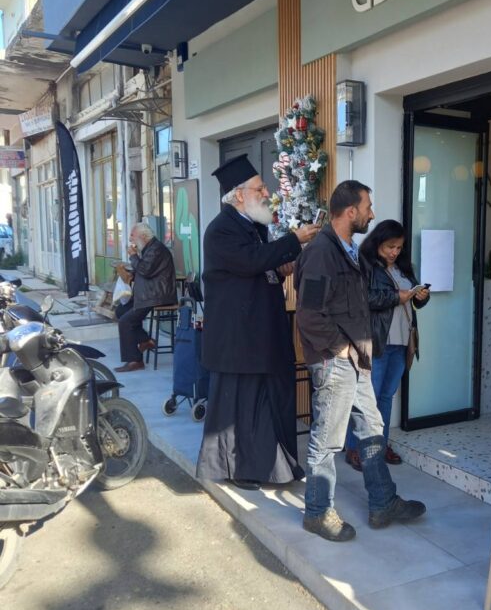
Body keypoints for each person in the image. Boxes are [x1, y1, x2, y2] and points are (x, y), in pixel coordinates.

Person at [294, 181, 426, 542]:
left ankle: (382, 502)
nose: (372, 213)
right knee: (327, 439)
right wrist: (341, 350)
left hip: (356, 357)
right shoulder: (322, 252)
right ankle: (317, 512)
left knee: (371, 428)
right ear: (351, 211)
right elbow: (309, 315)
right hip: (337, 359)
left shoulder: (348, 250)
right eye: (368, 206)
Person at [196, 155, 319, 488]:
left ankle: (274, 468)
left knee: (265, 406)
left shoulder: (253, 226)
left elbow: (256, 269)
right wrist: (294, 240)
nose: (267, 193)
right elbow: (249, 261)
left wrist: (278, 270)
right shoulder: (221, 229)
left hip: (260, 335)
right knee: (241, 412)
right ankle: (241, 470)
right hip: (238, 339)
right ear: (239, 195)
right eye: (260, 188)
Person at [344, 219, 430, 471]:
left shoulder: (403, 268)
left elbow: (412, 301)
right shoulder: (365, 265)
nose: (394, 252)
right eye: (390, 246)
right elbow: (363, 299)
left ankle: (379, 445)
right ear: (378, 243)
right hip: (377, 341)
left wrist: (421, 297)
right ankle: (354, 447)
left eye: (399, 247)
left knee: (386, 396)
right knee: (367, 398)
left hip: (402, 341)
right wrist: (396, 297)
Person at [114, 222, 176, 373]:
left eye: (132, 236)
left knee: (126, 321)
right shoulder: (150, 248)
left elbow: (145, 270)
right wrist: (130, 274)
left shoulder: (156, 249)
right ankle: (145, 340)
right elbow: (145, 270)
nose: (130, 239)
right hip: (148, 293)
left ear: (143, 236)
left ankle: (135, 360)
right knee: (120, 311)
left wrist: (133, 256)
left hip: (157, 295)